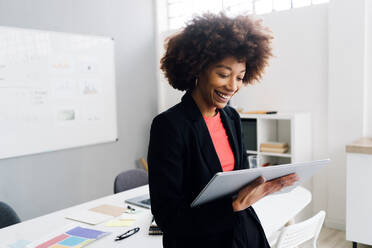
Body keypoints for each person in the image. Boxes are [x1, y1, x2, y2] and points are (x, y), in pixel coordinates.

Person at [147, 13, 298, 248]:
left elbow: (240, 180)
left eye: (240, 77)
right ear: (198, 68)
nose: (233, 86)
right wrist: (234, 205)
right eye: (223, 74)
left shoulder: (231, 117)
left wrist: (262, 186)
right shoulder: (169, 126)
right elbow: (169, 217)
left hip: (242, 234)